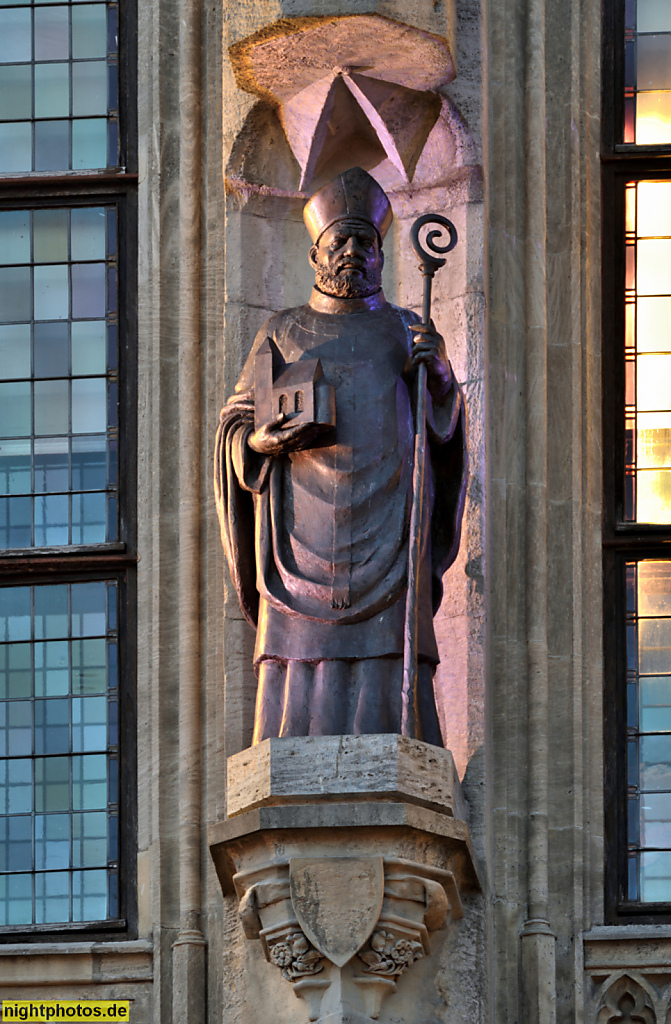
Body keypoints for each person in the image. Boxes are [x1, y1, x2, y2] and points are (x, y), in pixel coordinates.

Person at [214, 167, 467, 746]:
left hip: (389, 529)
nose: (353, 252)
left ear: (381, 255)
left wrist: (442, 377)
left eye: (366, 243)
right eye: (340, 242)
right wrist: (261, 442)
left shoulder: (409, 329)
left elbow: (445, 429)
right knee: (301, 669)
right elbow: (237, 421)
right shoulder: (283, 330)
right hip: (303, 532)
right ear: (315, 254)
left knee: (390, 655)